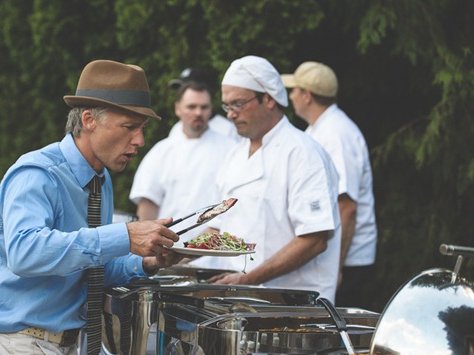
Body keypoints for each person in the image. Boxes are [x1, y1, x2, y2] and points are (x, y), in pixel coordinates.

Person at [0, 60, 183, 354]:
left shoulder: (100, 179)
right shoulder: (37, 173)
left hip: (69, 343)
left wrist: (147, 262)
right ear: (89, 120)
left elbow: (89, 268)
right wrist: (125, 236)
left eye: (142, 128)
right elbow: (24, 252)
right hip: (18, 342)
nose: (140, 141)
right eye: (130, 127)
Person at [191, 55, 342, 302]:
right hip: (242, 300)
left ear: (269, 99)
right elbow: (221, 228)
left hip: (294, 307)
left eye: (238, 104)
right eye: (227, 106)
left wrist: (249, 279)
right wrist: (180, 253)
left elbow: (315, 239)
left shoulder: (303, 153)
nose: (230, 115)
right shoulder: (235, 156)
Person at [281, 61, 377, 308]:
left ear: (307, 95)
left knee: (338, 341)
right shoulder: (319, 129)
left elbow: (347, 207)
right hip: (336, 257)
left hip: (348, 261)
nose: (290, 96)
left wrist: (337, 268)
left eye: (294, 90)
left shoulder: (336, 134)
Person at [129, 81, 236, 242]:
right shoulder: (161, 151)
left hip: (217, 257)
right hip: (167, 251)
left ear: (211, 109)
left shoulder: (231, 149)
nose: (198, 113)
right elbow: (147, 205)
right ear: (177, 108)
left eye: (204, 107)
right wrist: (147, 247)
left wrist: (191, 249)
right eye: (191, 107)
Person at [167, 67, 240, 141]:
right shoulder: (177, 129)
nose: (181, 94)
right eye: (180, 89)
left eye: (189, 88)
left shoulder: (227, 129)